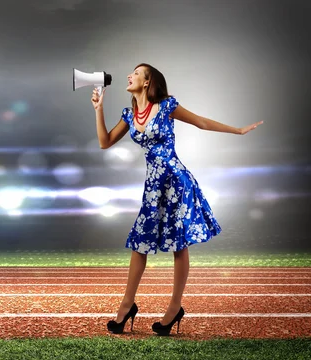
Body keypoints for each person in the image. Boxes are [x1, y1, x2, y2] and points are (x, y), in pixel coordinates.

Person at [91, 63, 263, 336]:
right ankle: (127, 305)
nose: (129, 75)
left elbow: (201, 122)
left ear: (148, 82)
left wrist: (238, 130)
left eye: (136, 73)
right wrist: (99, 109)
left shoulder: (168, 106)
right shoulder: (130, 113)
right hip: (153, 186)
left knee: (178, 244)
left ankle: (174, 308)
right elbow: (105, 141)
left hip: (177, 182)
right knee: (140, 243)